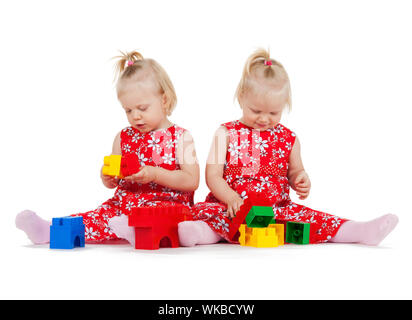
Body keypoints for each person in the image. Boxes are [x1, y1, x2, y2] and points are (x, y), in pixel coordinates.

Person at [178, 49, 398, 246]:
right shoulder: (225, 133)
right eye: (256, 111)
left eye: (273, 113)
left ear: (283, 106)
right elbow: (213, 176)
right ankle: (197, 233)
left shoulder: (288, 138)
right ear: (242, 98)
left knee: (312, 219)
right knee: (213, 218)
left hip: (276, 209)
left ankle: (359, 230)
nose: (264, 119)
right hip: (231, 207)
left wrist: (301, 179)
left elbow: (295, 172)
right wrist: (232, 199)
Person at [16, 50, 200, 246]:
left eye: (142, 108)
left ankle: (134, 230)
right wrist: (107, 177)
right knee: (100, 215)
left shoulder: (181, 137)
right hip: (124, 206)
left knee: (154, 217)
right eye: (128, 110)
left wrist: (156, 174)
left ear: (164, 100)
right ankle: (49, 230)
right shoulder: (123, 137)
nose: (135, 116)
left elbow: (191, 180)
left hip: (166, 206)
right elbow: (114, 175)